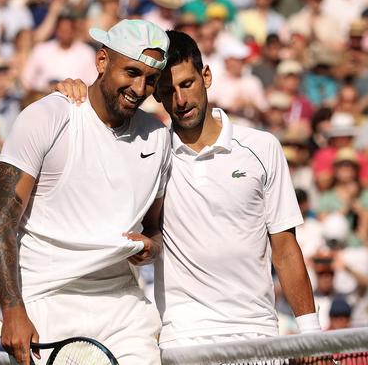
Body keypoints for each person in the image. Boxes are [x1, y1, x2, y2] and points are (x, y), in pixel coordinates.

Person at [57, 30, 319, 351]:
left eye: (187, 84)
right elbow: (97, 130)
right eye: (167, 91)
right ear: (157, 96)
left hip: (256, 331)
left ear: (205, 76)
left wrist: (312, 336)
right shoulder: (149, 149)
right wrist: (75, 96)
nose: (179, 101)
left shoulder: (262, 148)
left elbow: (285, 249)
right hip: (182, 339)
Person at [0, 19, 171, 365]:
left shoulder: (158, 137)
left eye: (150, 79)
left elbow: (156, 226)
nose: (139, 87)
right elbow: (0, 222)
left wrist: (153, 246)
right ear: (102, 62)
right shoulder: (46, 117)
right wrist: (12, 310)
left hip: (127, 310)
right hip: (48, 304)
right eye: (131, 72)